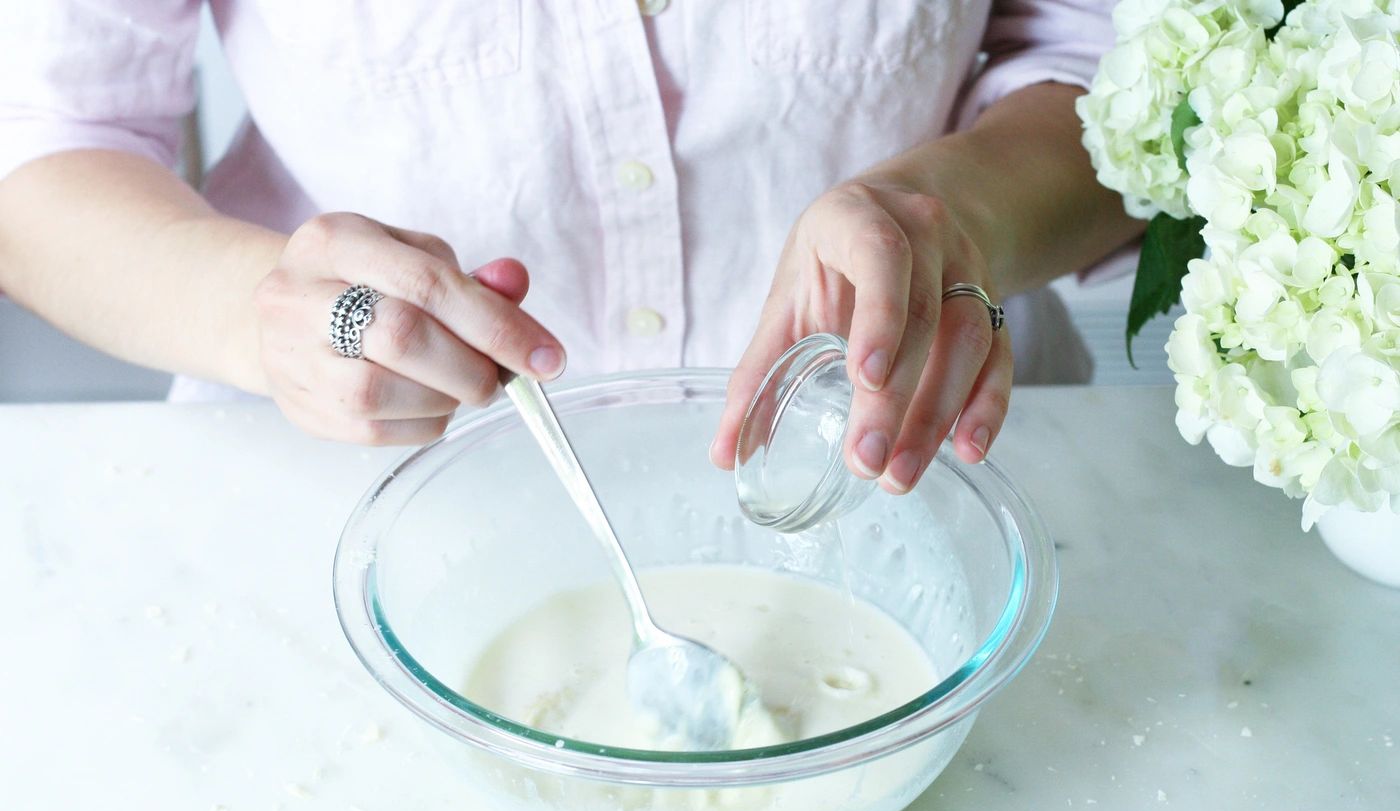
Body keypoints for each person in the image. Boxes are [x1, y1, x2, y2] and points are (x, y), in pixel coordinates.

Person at [0, 1, 1140, 495]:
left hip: (936, 467)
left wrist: (961, 209)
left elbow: (1129, 68)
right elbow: (47, 143)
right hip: (330, 499)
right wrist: (262, 309)